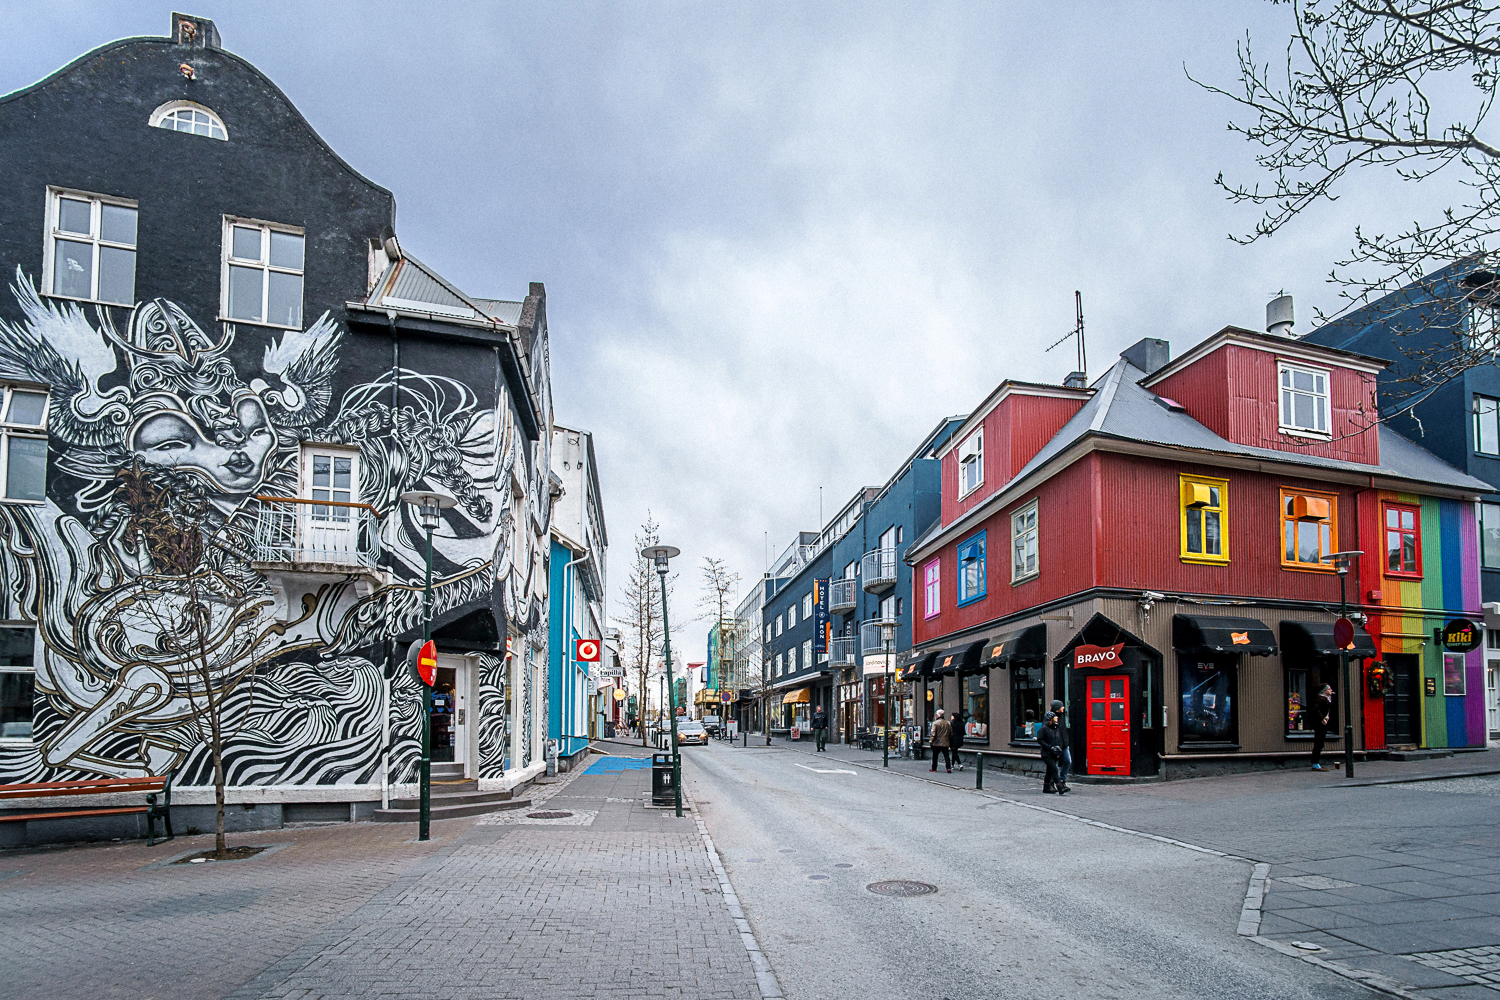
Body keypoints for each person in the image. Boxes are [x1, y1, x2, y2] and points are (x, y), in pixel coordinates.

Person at [1037, 711, 1069, 794]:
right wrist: (1049, 747)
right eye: (1055, 717)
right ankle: (1060, 787)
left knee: (1050, 770)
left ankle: (1046, 787)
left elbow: (1059, 738)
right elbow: (1040, 740)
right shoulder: (1044, 729)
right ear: (1051, 718)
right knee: (1054, 769)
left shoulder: (1056, 727)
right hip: (1047, 753)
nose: (1057, 718)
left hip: (1054, 752)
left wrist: (1059, 747)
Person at [1311, 683, 1333, 771]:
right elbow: (1316, 709)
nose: (1331, 691)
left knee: (1320, 743)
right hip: (1320, 724)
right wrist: (1322, 719)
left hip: (1322, 723)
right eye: (1329, 689)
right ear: (1324, 691)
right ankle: (1315, 763)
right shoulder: (1321, 699)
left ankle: (1315, 762)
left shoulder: (1325, 699)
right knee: (1319, 742)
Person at [1050, 699, 1071, 786]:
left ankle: (1062, 779)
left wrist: (1065, 741)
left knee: (1067, 761)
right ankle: (1051, 782)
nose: (1063, 707)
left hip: (1064, 744)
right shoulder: (1051, 717)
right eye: (1061, 706)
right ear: (1057, 708)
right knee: (1053, 764)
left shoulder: (1061, 716)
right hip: (1055, 745)